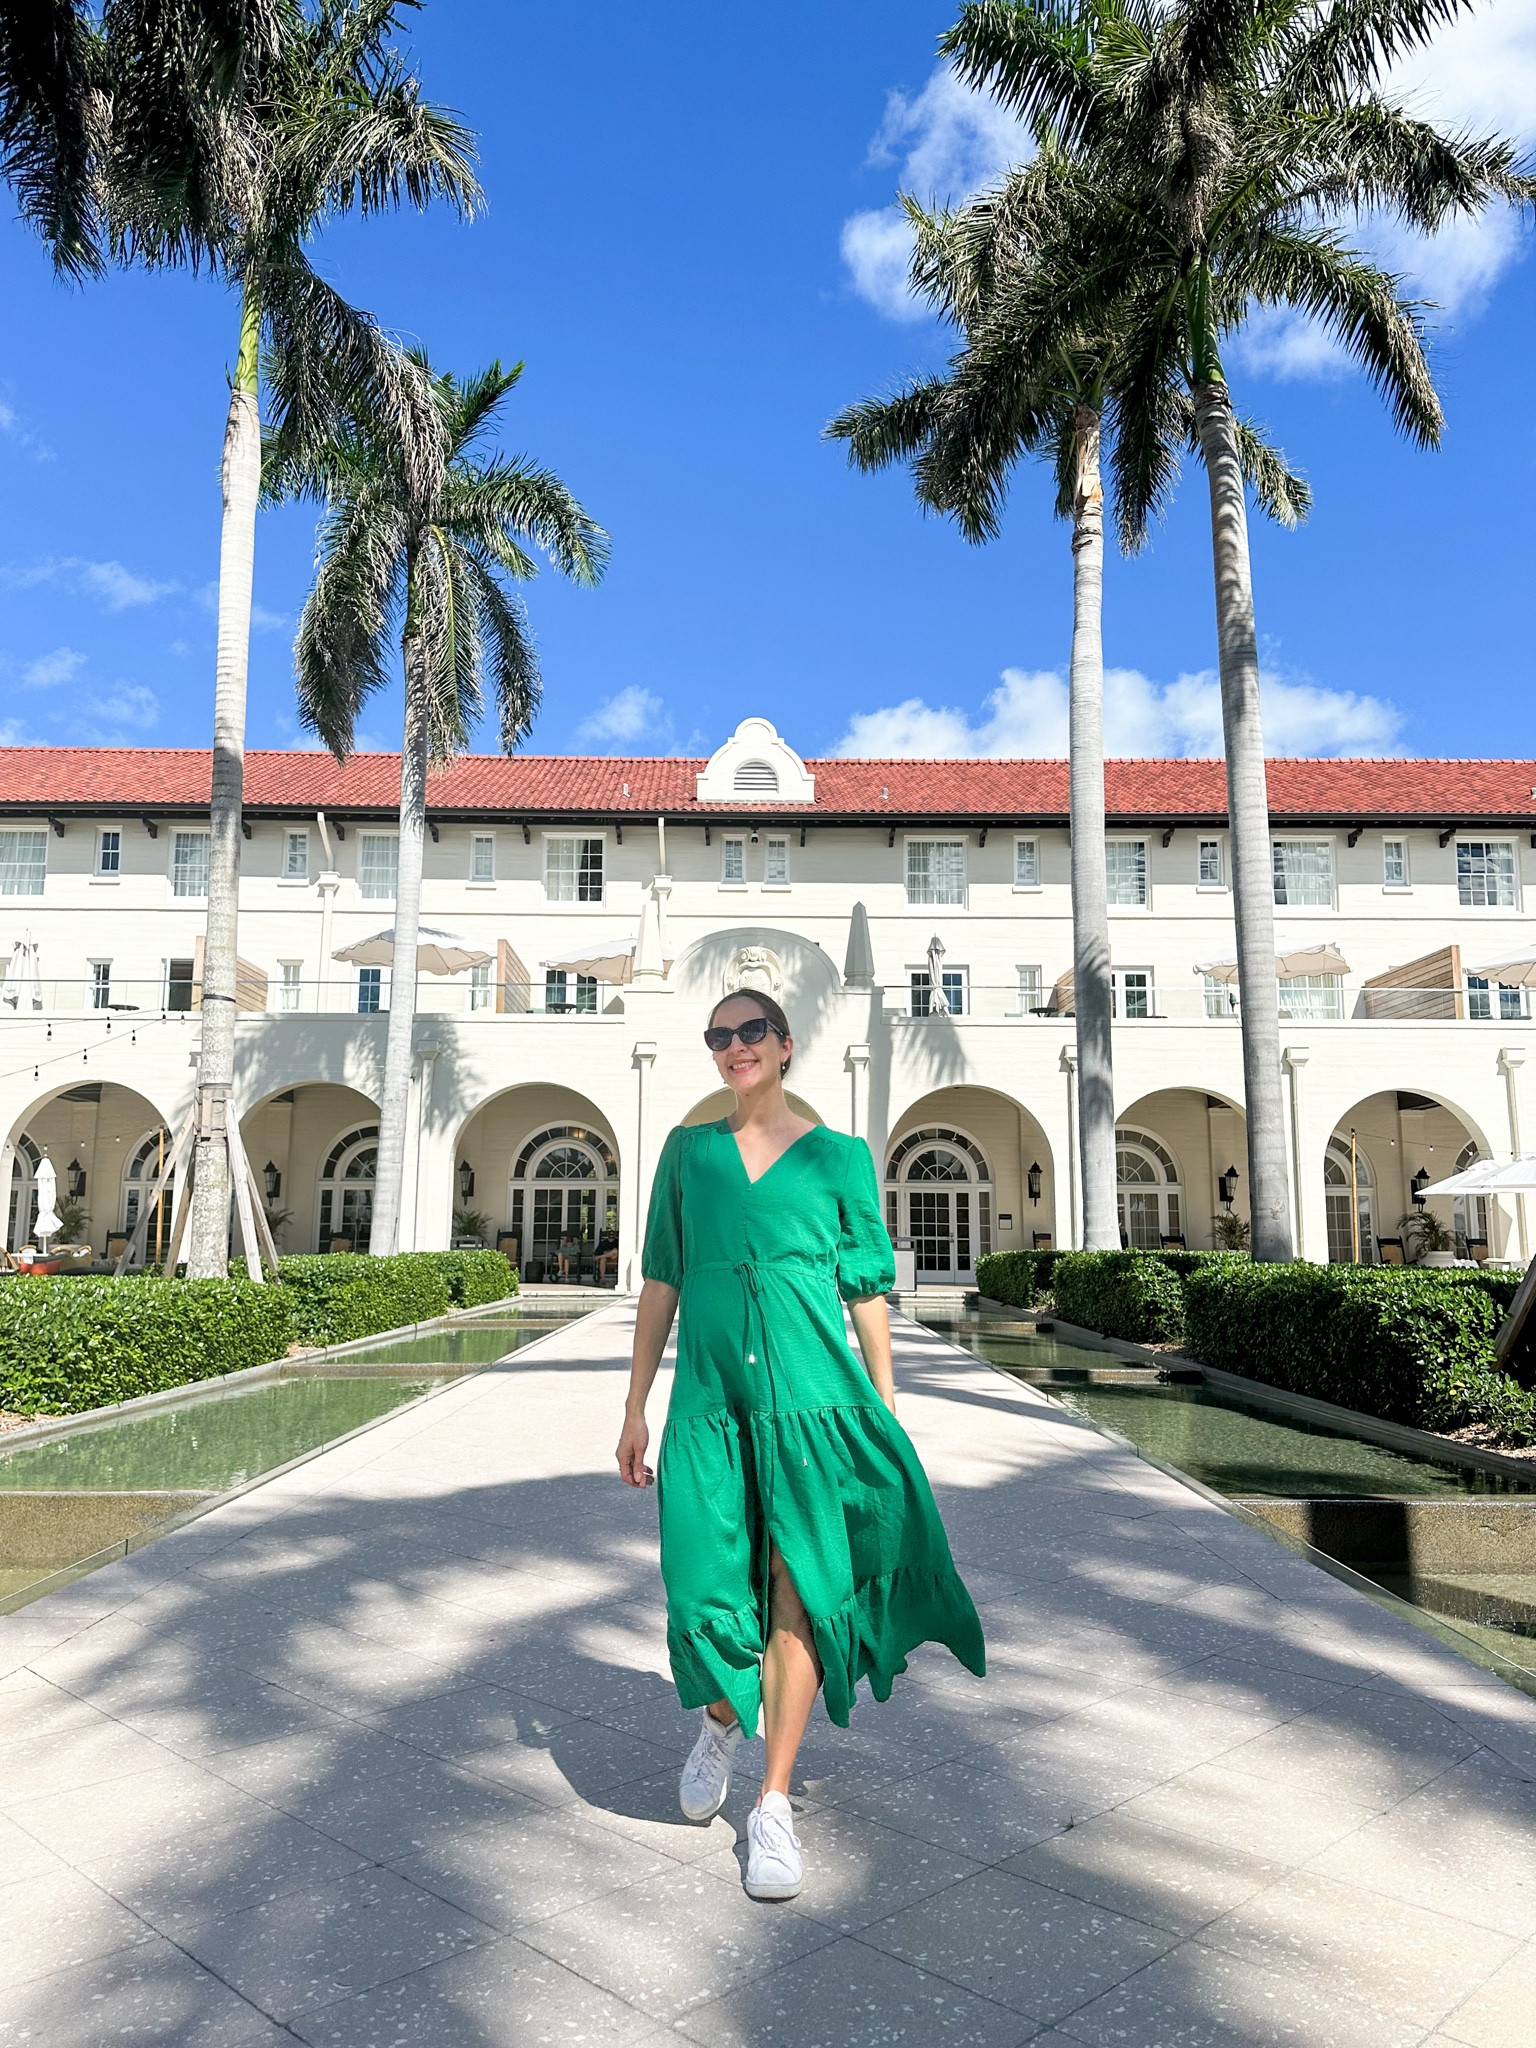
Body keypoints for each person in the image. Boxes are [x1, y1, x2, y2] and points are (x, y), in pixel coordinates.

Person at [616, 988, 985, 1902]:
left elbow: (864, 1291)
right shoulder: (687, 1153)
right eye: (719, 1037)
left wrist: (887, 1406)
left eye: (751, 1032)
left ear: (783, 1045)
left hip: (817, 1404)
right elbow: (662, 1279)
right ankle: (718, 1718)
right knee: (706, 1580)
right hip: (711, 1406)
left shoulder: (841, 1159)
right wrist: (634, 1405)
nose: (734, 1047)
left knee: (797, 1585)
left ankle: (773, 1804)